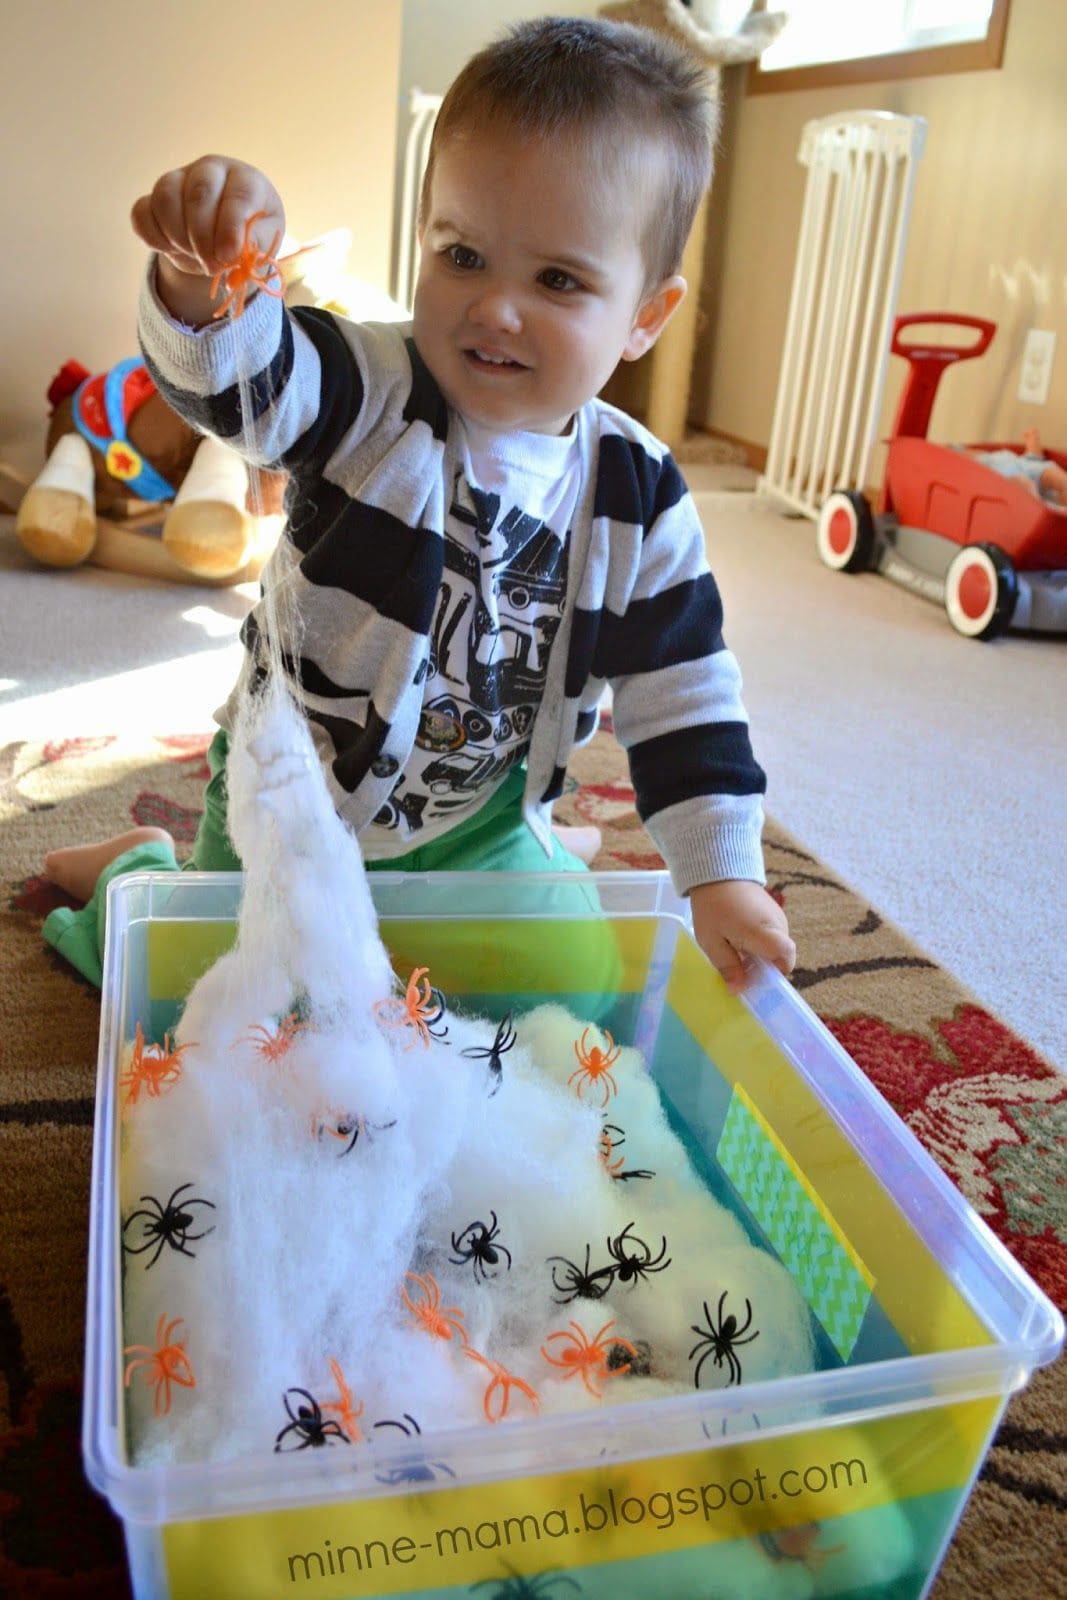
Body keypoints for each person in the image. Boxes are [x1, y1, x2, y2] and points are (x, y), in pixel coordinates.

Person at [43, 16, 794, 997]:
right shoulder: (367, 384)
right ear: (425, 239)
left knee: (582, 990)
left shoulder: (637, 493)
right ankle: (141, 871)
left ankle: (536, 852)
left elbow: (684, 690)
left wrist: (722, 874)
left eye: (558, 279)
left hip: (475, 816)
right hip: (293, 792)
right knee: (208, 995)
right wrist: (206, 283)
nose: (494, 308)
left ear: (645, 315)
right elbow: (241, 383)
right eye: (464, 256)